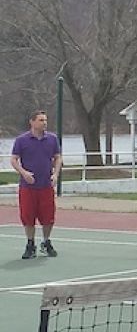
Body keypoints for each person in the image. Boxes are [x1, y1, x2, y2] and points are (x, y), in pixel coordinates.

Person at [11, 110, 62, 259]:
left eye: (45, 120)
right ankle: (30, 244)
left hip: (46, 185)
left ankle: (46, 242)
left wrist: (55, 174)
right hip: (28, 187)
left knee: (48, 217)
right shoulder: (22, 140)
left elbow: (57, 157)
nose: (44, 123)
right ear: (32, 122)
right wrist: (24, 173)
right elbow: (14, 159)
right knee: (28, 217)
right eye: (41, 120)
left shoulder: (52, 139)